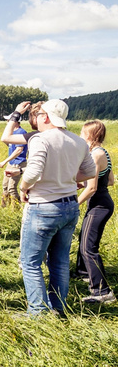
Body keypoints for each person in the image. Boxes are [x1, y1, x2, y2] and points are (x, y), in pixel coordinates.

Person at [19, 100, 96, 316]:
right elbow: (90, 171)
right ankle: (58, 308)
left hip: (43, 206)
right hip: (70, 205)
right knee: (60, 261)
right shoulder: (78, 141)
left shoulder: (40, 139)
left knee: (30, 262)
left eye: (40, 114)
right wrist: (68, 177)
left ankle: (37, 312)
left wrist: (23, 187)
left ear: (45, 116)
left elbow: (33, 172)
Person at [73, 120, 115, 303]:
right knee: (85, 240)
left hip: (98, 204)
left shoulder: (96, 154)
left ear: (90, 135)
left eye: (82, 133)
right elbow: (111, 180)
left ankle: (102, 292)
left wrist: (74, 203)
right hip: (102, 202)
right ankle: (84, 274)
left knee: (88, 248)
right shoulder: (103, 152)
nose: (80, 136)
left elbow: (91, 188)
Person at [0, 120, 27, 207]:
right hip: (11, 163)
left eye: (8, 121)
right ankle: (3, 208)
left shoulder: (21, 132)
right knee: (5, 186)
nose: (7, 122)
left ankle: (15, 210)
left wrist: (5, 161)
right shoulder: (11, 133)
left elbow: (19, 150)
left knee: (12, 188)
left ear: (16, 122)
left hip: (18, 163)